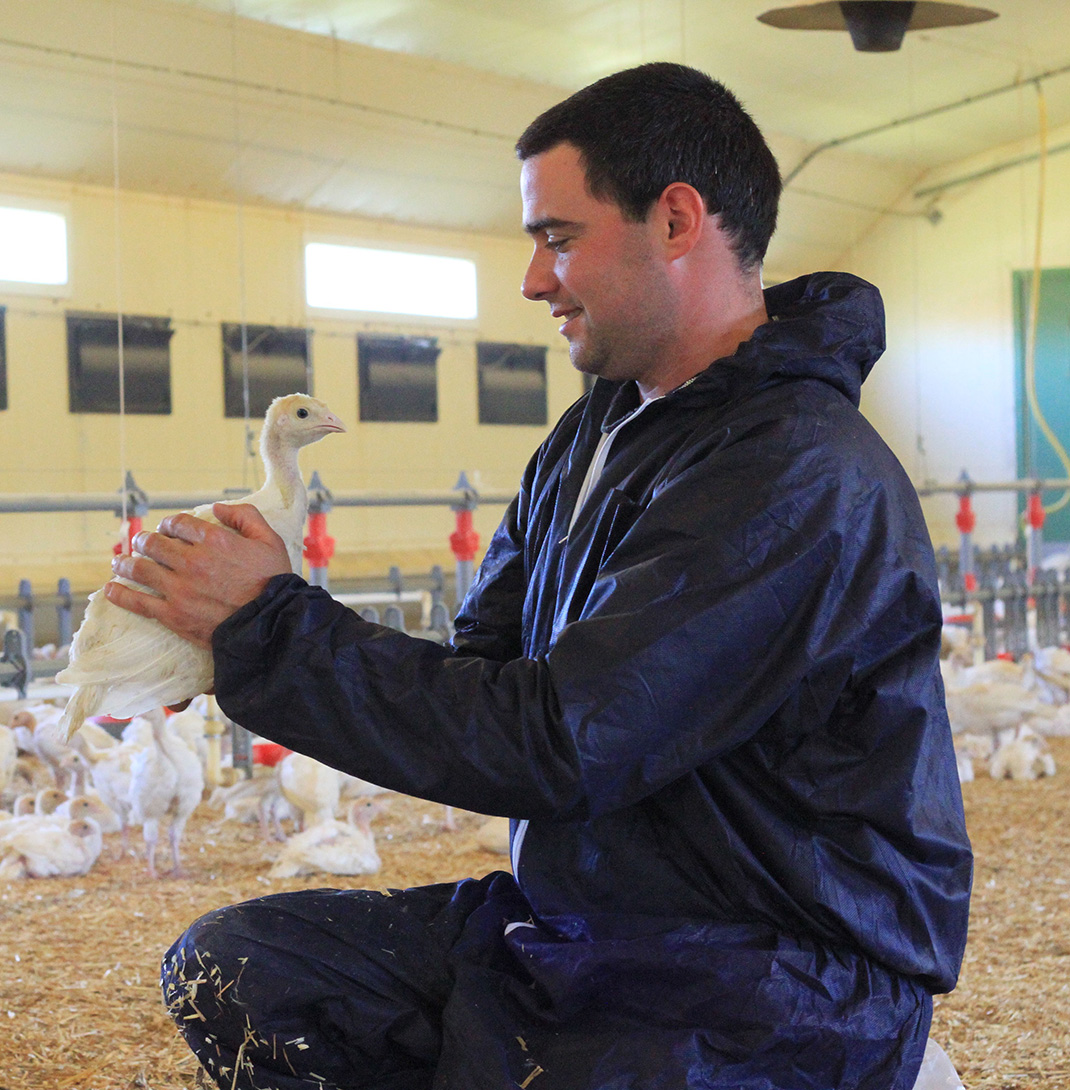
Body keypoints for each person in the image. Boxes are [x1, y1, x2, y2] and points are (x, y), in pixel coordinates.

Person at [107, 62, 972, 1090]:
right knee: (244, 971)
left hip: (774, 962)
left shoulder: (793, 469)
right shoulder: (593, 431)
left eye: (556, 237)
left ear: (677, 220)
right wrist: (230, 627)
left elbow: (564, 739)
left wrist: (270, 625)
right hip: (594, 926)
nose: (531, 279)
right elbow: (482, 672)